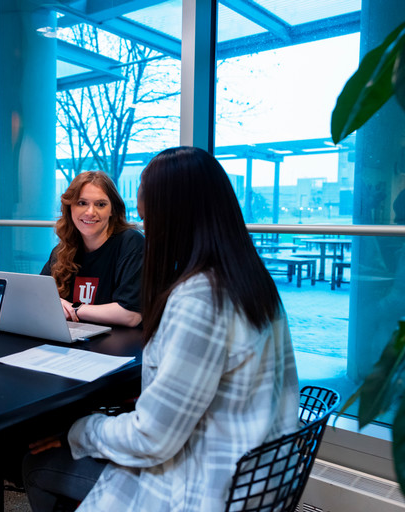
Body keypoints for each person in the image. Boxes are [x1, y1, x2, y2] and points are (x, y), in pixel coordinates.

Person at [22, 146, 299, 511]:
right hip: (255, 469)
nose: (145, 225)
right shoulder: (249, 278)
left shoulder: (200, 297)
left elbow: (151, 437)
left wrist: (77, 431)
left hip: (206, 485)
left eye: (148, 214)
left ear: (172, 217)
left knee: (38, 463)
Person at [42, 171, 143, 327]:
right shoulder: (62, 250)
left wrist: (74, 309)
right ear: (70, 208)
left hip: (118, 345)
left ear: (112, 210)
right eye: (82, 203)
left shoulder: (131, 243)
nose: (90, 212)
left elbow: (130, 315)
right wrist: (56, 303)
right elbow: (39, 298)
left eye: (100, 204)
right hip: (72, 343)